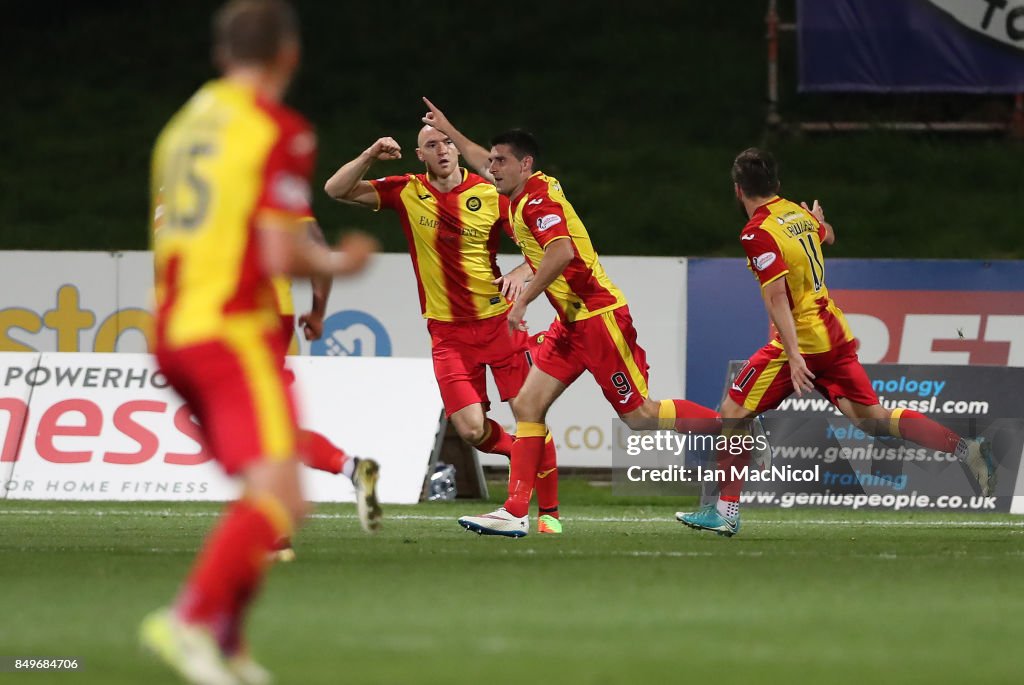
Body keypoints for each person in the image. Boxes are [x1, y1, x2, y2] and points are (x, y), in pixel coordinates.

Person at [140, 2, 377, 683]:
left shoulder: (182, 128)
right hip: (234, 327)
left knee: (260, 488)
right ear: (289, 55)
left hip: (175, 329)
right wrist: (340, 265)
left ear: (221, 55)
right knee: (283, 497)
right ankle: (188, 621)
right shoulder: (277, 129)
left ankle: (231, 647)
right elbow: (281, 248)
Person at [418, 99, 721, 537]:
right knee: (527, 404)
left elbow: (562, 252)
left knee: (639, 416)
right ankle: (515, 510)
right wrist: (449, 126)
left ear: (525, 165)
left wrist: (523, 300)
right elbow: (478, 158)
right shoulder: (515, 191)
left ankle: (727, 432)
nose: (491, 168)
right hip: (570, 323)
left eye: (501, 162)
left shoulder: (538, 200)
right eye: (492, 160)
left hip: (599, 319)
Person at [676, 148, 997, 537]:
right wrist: (821, 226)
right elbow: (828, 235)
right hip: (835, 333)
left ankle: (726, 508)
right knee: (872, 420)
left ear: (737, 190)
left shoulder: (756, 233)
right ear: (776, 185)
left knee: (730, 411)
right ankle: (967, 449)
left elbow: (776, 298)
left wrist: (794, 355)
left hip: (805, 341)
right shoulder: (796, 212)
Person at [323, 124, 563, 533]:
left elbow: (544, 244)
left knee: (529, 412)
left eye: (448, 142)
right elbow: (335, 190)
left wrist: (524, 269)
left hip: (497, 325)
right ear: (421, 155)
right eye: (432, 145)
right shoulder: (407, 191)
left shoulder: (490, 194)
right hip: (447, 334)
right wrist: (369, 153)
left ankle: (550, 515)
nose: (443, 149)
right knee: (470, 430)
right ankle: (520, 453)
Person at [270, 218, 382, 560]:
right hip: (276, 311)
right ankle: (351, 467)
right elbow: (317, 245)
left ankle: (276, 535)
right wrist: (318, 311)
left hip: (245, 313)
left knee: (254, 423)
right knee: (268, 421)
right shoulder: (272, 184)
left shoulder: (231, 182)